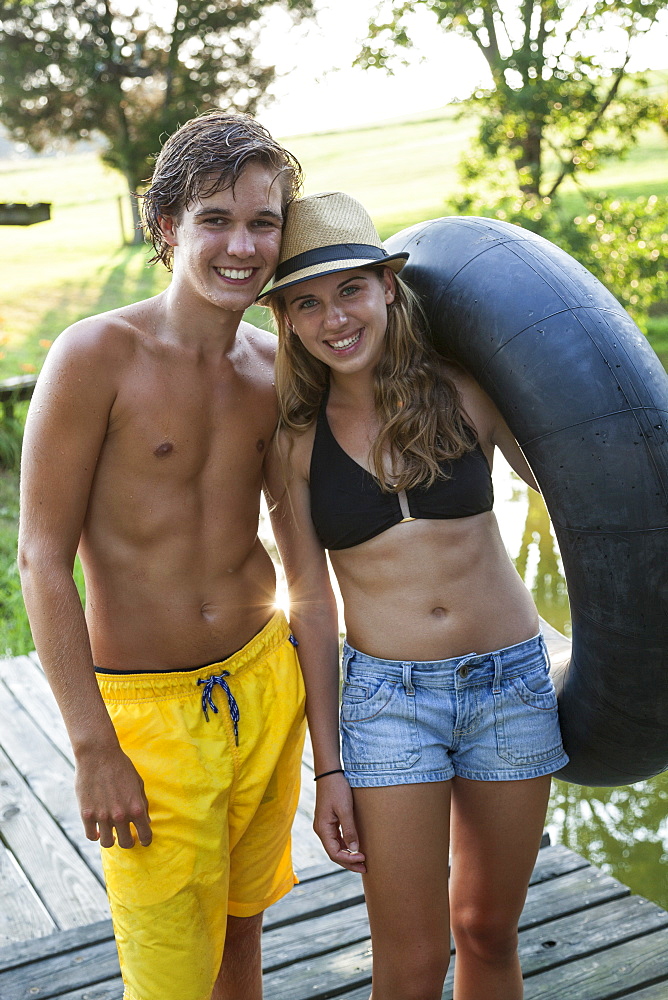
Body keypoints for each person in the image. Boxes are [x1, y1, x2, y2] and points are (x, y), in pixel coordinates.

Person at [18, 111, 307, 1000]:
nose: (241, 245)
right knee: (169, 976)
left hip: (262, 686)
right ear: (166, 225)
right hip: (147, 719)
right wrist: (92, 744)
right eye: (215, 219)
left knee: (243, 933)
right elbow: (39, 558)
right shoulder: (97, 355)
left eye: (263, 222)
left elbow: (305, 551)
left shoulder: (275, 368)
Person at [262, 191, 569, 1000]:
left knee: (487, 932)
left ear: (388, 287)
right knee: (410, 958)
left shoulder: (466, 391)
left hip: (511, 687)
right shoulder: (295, 444)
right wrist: (329, 767)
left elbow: (582, 498)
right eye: (308, 303)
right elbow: (311, 607)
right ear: (287, 321)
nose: (335, 318)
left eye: (350, 290)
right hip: (389, 705)